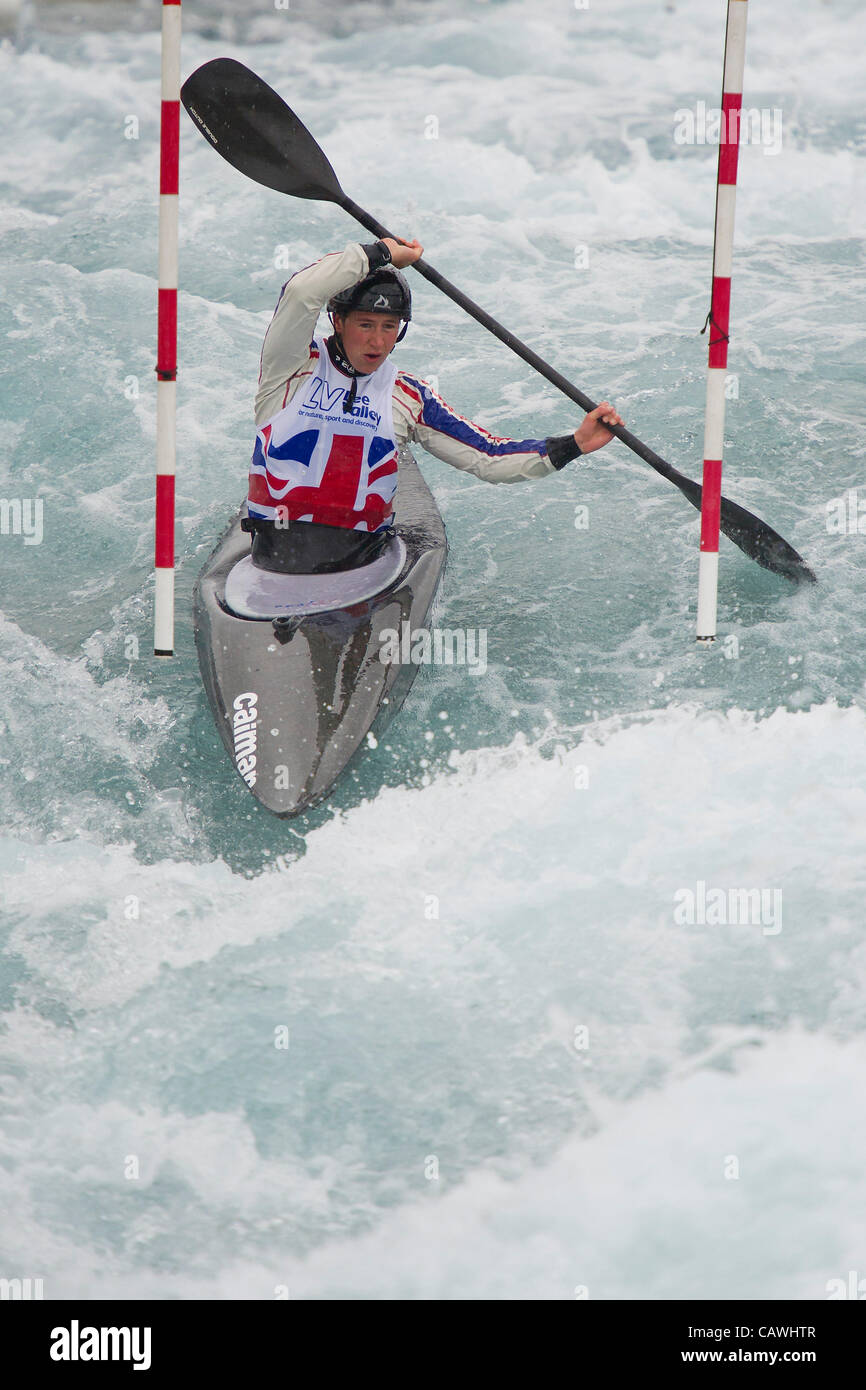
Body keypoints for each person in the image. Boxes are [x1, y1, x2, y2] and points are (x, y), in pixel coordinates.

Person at [246, 235, 624, 571]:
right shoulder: (291, 366)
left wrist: (574, 444)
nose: (378, 342)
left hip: (358, 562)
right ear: (338, 321)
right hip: (273, 554)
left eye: (389, 326)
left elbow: (488, 457)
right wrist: (378, 253)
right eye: (366, 324)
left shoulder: (409, 395)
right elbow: (299, 293)